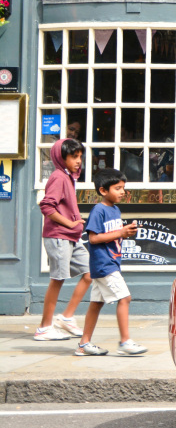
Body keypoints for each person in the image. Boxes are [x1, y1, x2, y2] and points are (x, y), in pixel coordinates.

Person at [75, 168, 146, 357]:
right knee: (125, 298)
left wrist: (125, 230)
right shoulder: (99, 210)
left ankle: (84, 344)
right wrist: (121, 233)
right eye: (117, 188)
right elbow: (93, 239)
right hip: (104, 264)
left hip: (110, 262)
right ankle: (125, 342)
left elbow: (111, 233)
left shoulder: (114, 209)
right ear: (103, 190)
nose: (122, 192)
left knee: (96, 303)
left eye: (123, 188)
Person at [34, 138, 93, 341]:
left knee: (89, 272)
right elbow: (46, 206)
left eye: (80, 157)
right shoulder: (59, 177)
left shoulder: (68, 177)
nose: (79, 161)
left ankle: (66, 317)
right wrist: (70, 223)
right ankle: (44, 328)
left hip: (71, 237)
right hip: (59, 236)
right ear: (61, 157)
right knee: (57, 280)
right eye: (73, 157)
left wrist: (74, 223)